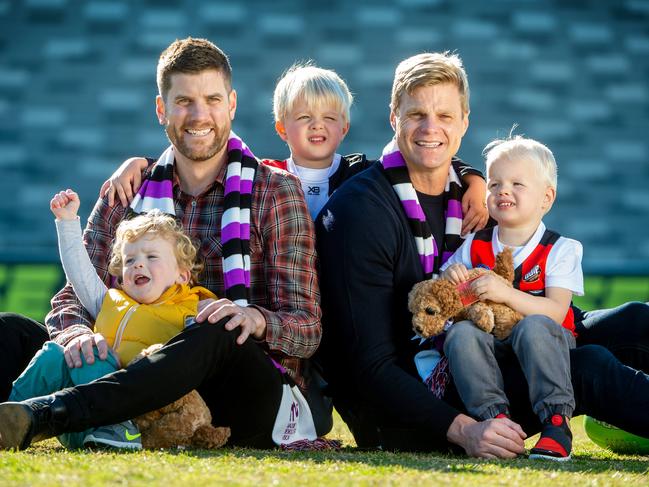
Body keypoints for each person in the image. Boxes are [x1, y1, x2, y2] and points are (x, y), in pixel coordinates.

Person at [314, 51, 649, 458]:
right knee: (588, 368)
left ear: (464, 122)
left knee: (633, 321)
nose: (430, 128)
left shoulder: (473, 195)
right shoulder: (358, 214)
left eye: (445, 116)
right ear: (393, 118)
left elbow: (526, 304)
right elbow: (369, 367)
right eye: (416, 113)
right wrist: (464, 431)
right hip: (423, 398)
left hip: (494, 341)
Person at [0, 37, 323, 451]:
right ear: (161, 110)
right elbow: (71, 298)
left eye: (212, 99)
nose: (199, 114)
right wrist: (77, 335)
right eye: (184, 101)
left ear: (232, 105)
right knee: (9, 329)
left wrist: (257, 320)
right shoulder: (127, 191)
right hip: (124, 359)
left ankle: (50, 414)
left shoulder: (276, 192)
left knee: (215, 330)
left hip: (230, 390)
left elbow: (308, 327)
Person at [101, 63, 490, 232]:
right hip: (289, 292)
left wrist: (472, 177)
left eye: (328, 118)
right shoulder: (263, 174)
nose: (317, 126)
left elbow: (421, 153)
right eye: (304, 118)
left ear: (345, 128)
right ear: (282, 128)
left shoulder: (361, 172)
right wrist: (142, 163)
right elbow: (204, 159)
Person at [11, 190, 215, 449]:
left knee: (97, 354)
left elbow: (210, 348)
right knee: (53, 353)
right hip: (79, 420)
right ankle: (9, 417)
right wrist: (67, 222)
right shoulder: (109, 301)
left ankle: (117, 430)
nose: (138, 265)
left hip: (136, 419)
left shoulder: (192, 312)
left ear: (182, 276)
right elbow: (79, 273)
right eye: (130, 260)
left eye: (151, 257)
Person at [440, 136, 582, 461]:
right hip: (492, 349)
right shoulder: (475, 243)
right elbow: (448, 292)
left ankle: (556, 422)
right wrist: (452, 280)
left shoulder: (561, 249)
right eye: (494, 184)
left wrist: (506, 293)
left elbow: (556, 313)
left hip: (547, 348)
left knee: (534, 326)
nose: (503, 190)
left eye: (518, 183)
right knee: (460, 333)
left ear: (546, 198)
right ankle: (496, 419)